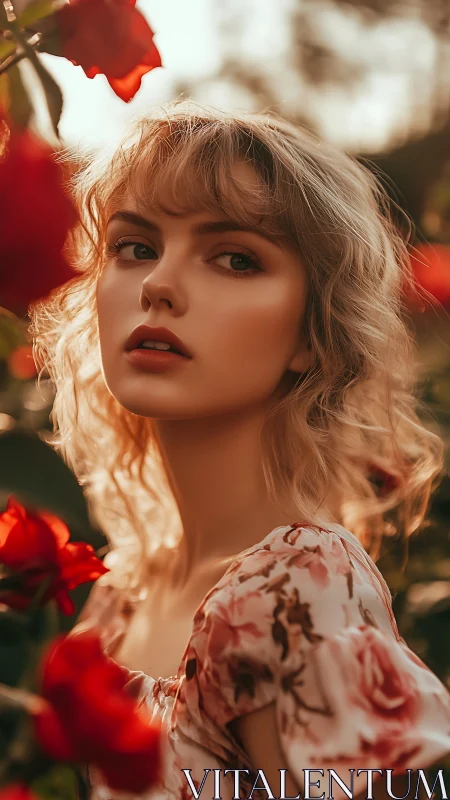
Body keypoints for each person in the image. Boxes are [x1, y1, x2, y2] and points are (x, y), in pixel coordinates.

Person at [29, 100, 450, 800]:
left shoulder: (296, 593)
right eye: (135, 247)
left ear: (313, 332)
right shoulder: (121, 591)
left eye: (234, 258)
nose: (158, 285)